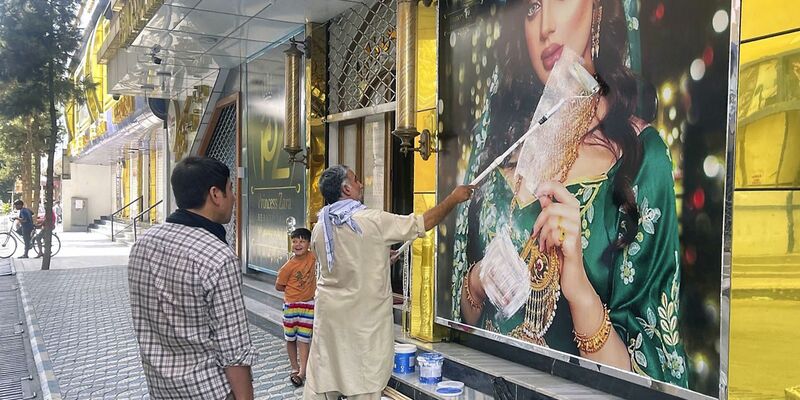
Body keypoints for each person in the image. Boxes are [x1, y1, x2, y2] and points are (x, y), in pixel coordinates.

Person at [450, 0, 688, 387]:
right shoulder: (502, 149)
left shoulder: (641, 159)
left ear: (598, 7)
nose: (544, 26)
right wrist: (477, 282)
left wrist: (577, 286)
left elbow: (647, 377)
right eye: (530, 9)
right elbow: (465, 324)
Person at [303, 165, 475, 400]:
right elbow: (424, 222)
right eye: (355, 180)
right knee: (363, 382)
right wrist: (454, 198)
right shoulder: (371, 220)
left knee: (325, 378)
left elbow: (344, 262)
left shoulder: (321, 225)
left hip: (330, 320)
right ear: (346, 188)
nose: (361, 184)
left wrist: (380, 258)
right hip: (363, 323)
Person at [128, 156, 256, 400]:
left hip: (161, 389)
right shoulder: (218, 256)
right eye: (231, 189)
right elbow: (235, 349)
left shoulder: (142, 244)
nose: (234, 198)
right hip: (209, 390)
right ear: (215, 194)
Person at [276, 227, 317, 388]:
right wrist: (294, 293)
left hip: (308, 305)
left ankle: (302, 371)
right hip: (291, 306)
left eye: (302, 241)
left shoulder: (313, 257)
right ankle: (294, 366)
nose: (298, 244)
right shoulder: (287, 266)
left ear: (309, 243)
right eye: (294, 241)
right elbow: (278, 286)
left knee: (304, 339)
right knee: (290, 338)